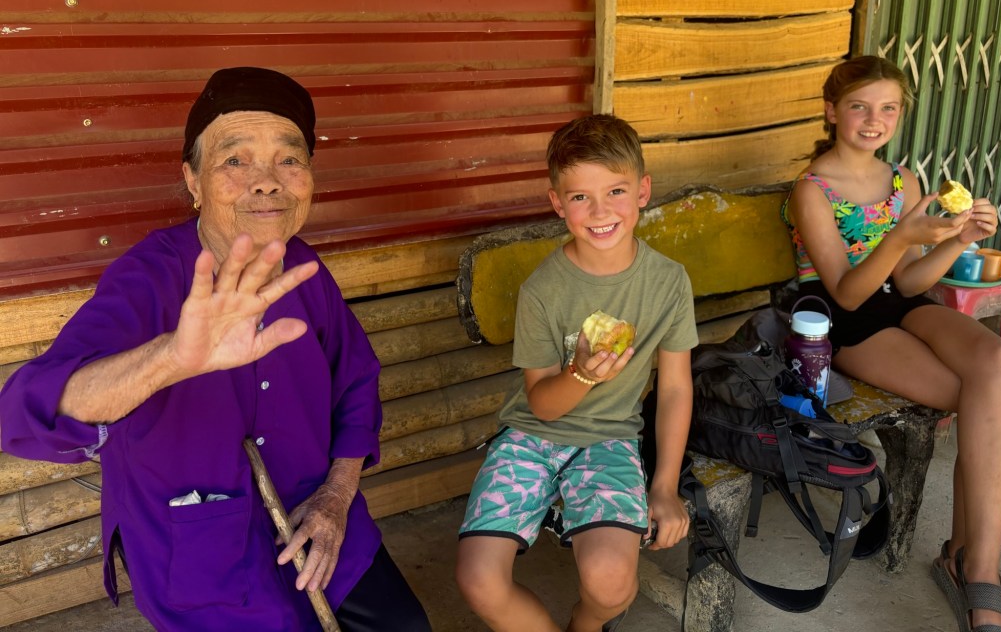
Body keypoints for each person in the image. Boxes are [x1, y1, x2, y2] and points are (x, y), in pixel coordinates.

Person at [0, 67, 431, 632]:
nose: (267, 181)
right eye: (235, 160)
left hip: (317, 518)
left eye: (289, 158)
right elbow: (22, 415)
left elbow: (355, 383)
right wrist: (171, 358)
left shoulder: (302, 267)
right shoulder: (147, 279)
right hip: (201, 556)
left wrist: (337, 495)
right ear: (193, 180)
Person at [782, 55, 1001, 632]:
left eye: (888, 108)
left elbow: (912, 281)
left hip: (898, 300)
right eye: (860, 106)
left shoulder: (903, 181)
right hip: (841, 320)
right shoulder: (811, 190)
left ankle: (971, 563)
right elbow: (846, 291)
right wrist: (898, 236)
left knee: (997, 362)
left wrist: (957, 239)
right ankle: (973, 574)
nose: (875, 120)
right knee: (987, 401)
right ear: (831, 111)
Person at [455, 114, 698, 632]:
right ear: (558, 203)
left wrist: (664, 486)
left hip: (609, 438)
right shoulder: (544, 290)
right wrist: (583, 375)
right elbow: (542, 405)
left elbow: (676, 388)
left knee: (612, 585)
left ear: (643, 191)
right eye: (581, 197)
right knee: (479, 579)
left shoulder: (668, 282)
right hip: (530, 436)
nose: (600, 211)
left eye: (616, 191)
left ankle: (583, 626)